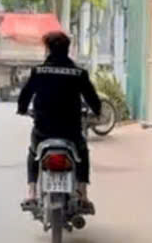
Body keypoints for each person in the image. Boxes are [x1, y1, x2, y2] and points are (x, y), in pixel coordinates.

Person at [17, 30, 101, 212]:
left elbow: (25, 95)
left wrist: (22, 109)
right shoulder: (79, 73)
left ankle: (31, 192)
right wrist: (97, 112)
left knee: (33, 152)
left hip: (43, 130)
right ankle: (83, 194)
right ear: (67, 49)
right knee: (82, 152)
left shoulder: (38, 71)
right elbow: (92, 98)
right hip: (70, 131)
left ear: (48, 49)